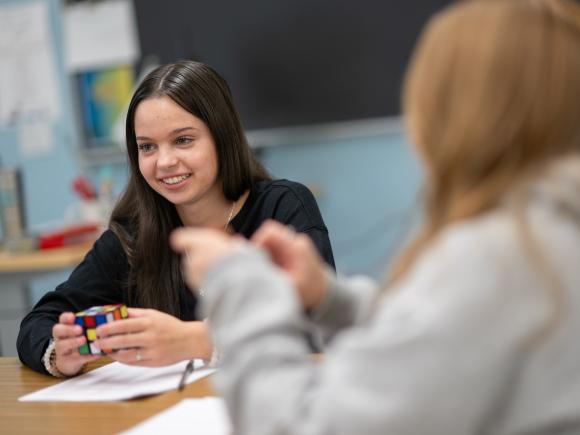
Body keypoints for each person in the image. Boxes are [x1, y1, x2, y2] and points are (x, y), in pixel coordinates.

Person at [170, 1, 580, 434]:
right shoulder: (548, 232)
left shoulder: (498, 255)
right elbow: (446, 339)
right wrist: (332, 302)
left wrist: (237, 288)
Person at [17, 60, 334, 377]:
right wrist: (60, 353)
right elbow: (40, 321)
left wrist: (194, 340)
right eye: (147, 147)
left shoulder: (281, 208)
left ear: (222, 138)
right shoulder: (131, 236)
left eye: (183, 140)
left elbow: (314, 326)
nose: (165, 162)